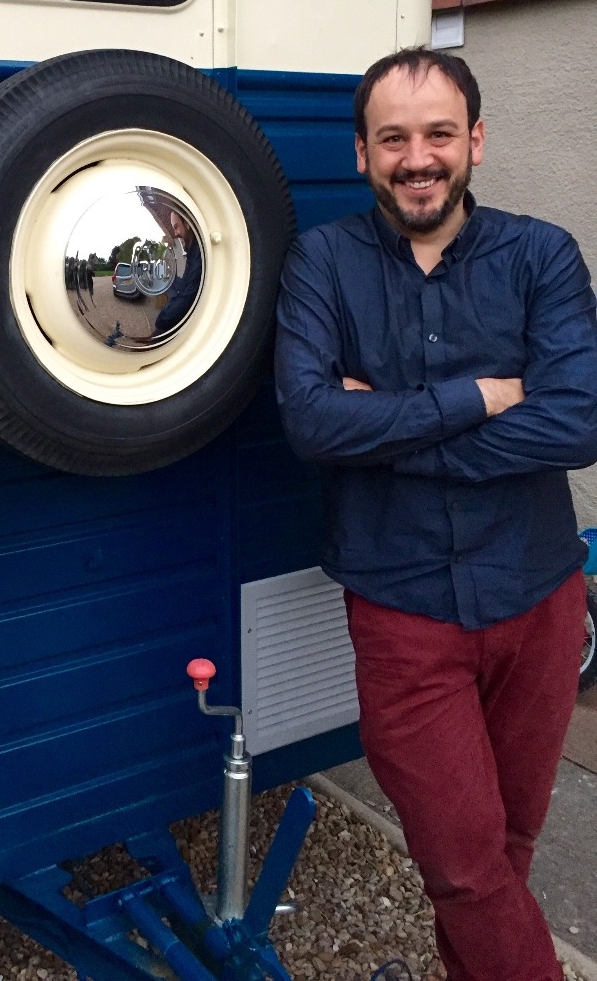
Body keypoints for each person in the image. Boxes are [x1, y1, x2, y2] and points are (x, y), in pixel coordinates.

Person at [274, 48, 597, 981]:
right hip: (404, 611)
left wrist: (382, 424)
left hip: (539, 601)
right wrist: (481, 398)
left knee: (511, 843)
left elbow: (576, 422)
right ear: (364, 155)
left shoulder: (541, 255)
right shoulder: (323, 264)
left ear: (477, 142)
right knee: (462, 863)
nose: (419, 158)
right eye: (395, 139)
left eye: (439, 135)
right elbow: (310, 420)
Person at [153, 210, 203, 335]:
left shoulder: (199, 254)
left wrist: (161, 320)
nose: (175, 234)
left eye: (176, 227)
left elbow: (189, 297)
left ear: (187, 223)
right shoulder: (192, 251)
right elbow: (184, 286)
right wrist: (171, 277)